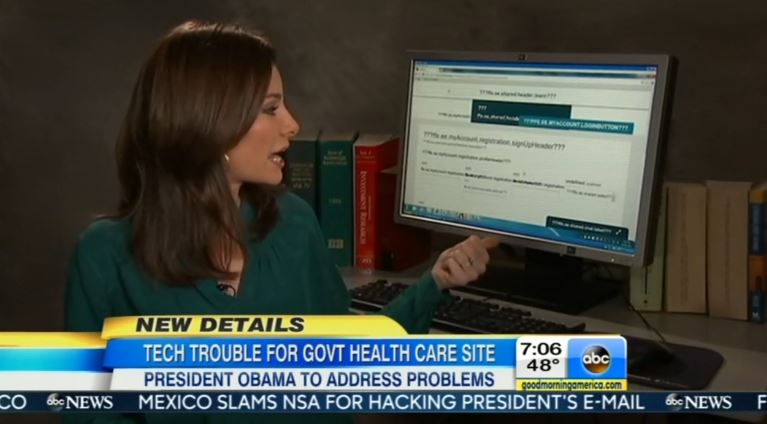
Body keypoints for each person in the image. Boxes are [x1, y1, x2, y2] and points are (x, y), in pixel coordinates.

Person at [65, 20, 498, 423]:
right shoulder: (105, 256)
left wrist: (435, 282)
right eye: (271, 108)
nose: (293, 125)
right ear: (212, 123)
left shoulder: (293, 223)